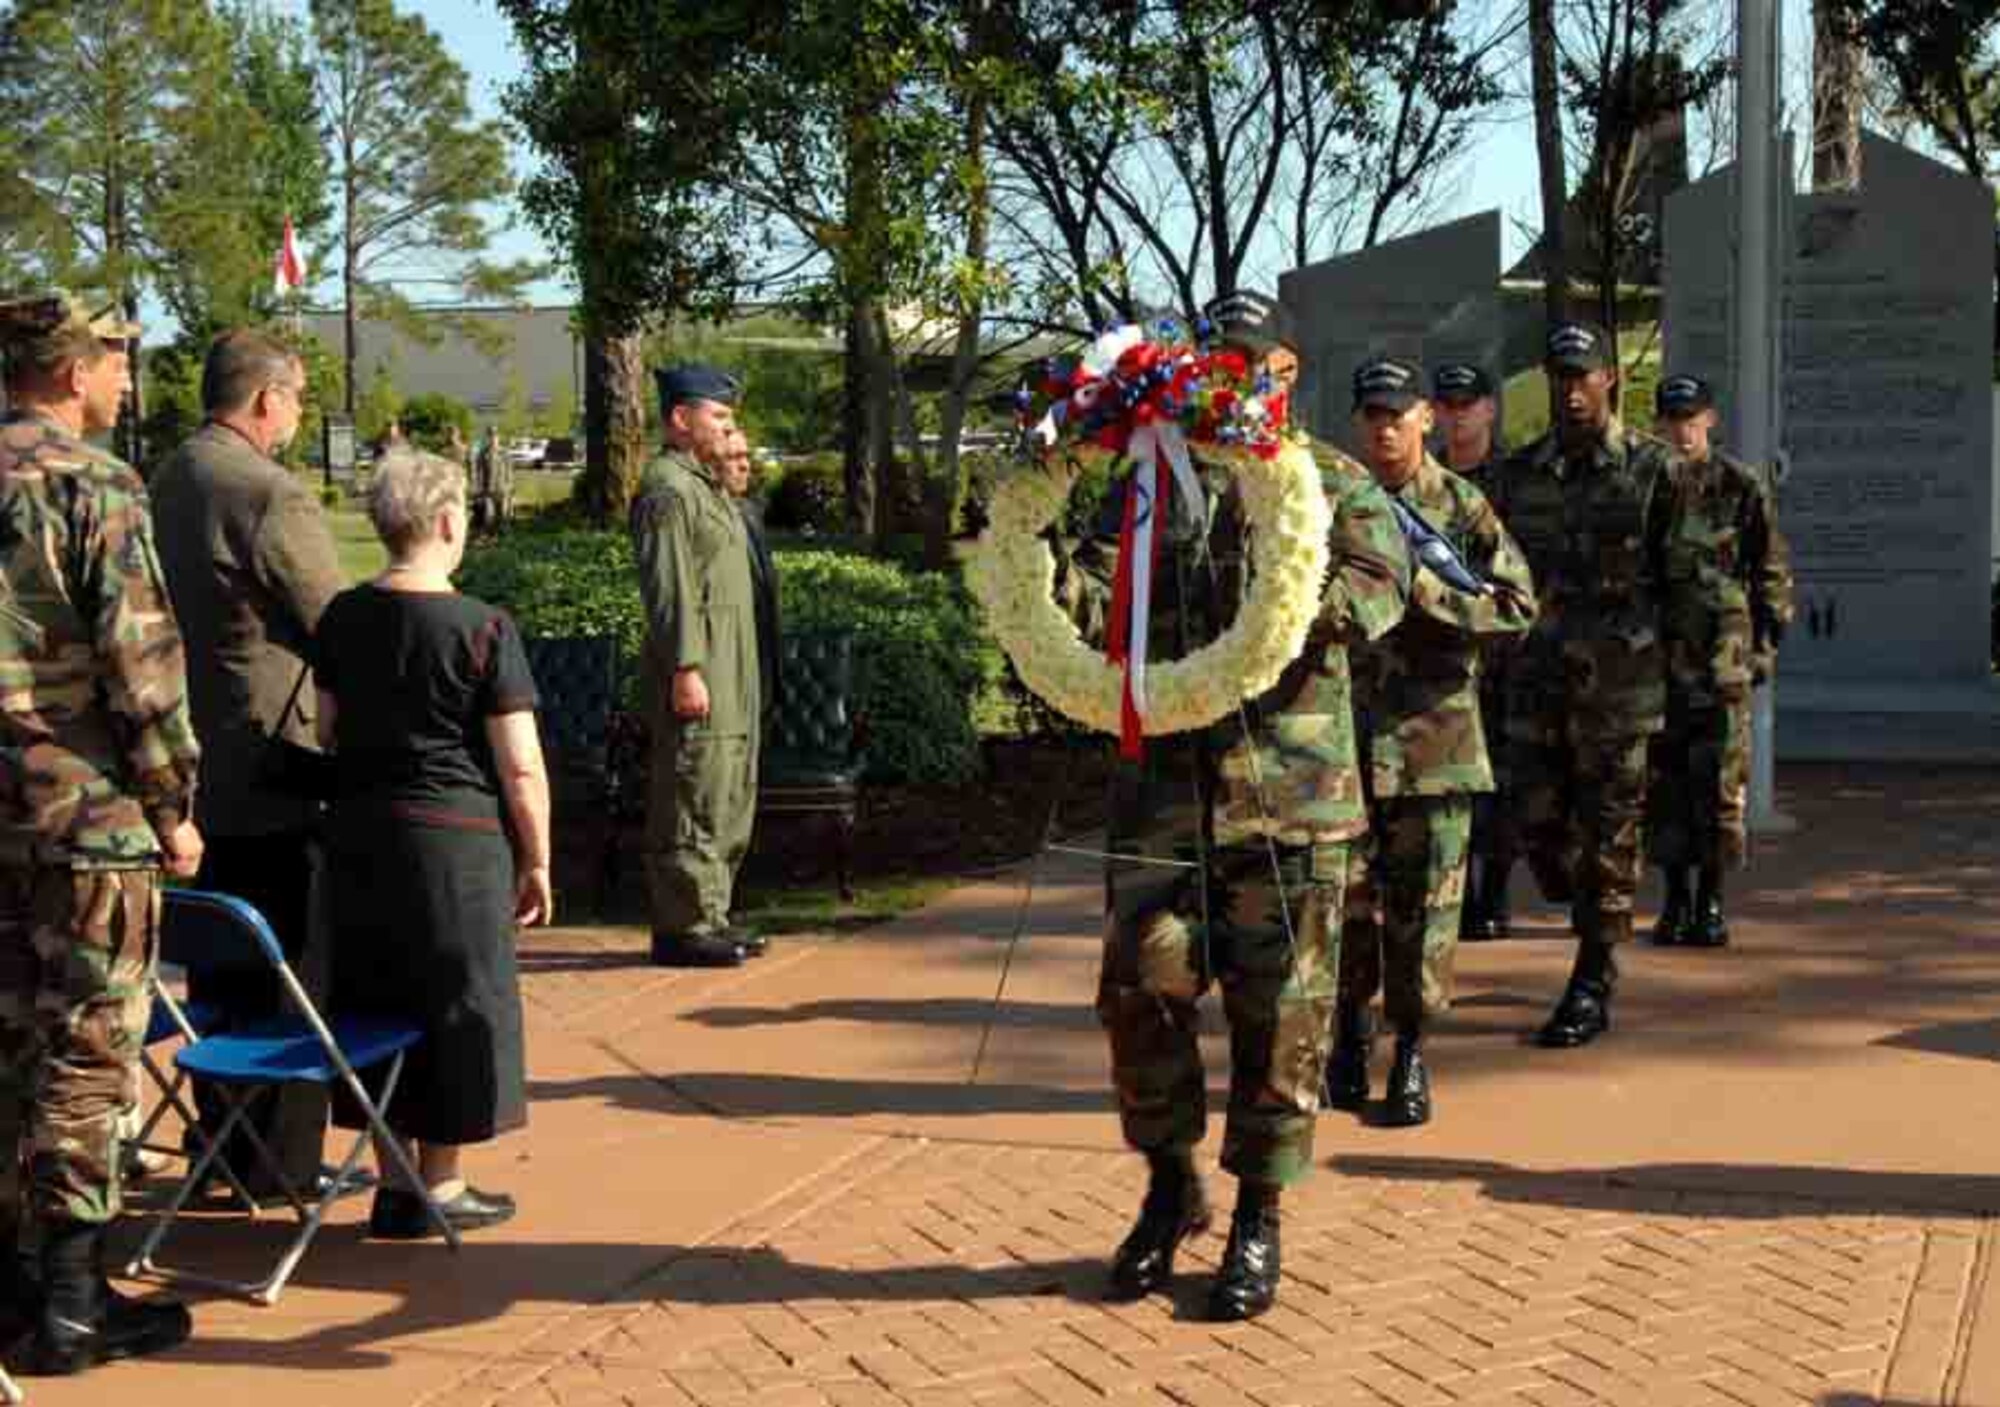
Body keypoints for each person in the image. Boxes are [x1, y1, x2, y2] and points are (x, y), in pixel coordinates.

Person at [1060, 291, 1412, 1321]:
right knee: (1137, 996)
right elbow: (1091, 594)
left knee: (1281, 1021)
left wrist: (1280, 610)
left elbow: (1376, 594)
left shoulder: (1332, 481)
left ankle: (1259, 1217)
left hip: (1287, 802)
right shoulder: (1148, 482)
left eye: (1247, 358)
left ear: (1285, 370)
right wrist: (1030, 572)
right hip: (1164, 800)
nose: (1228, 373)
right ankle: (1171, 1185)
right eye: (1212, 357)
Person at [0, 291, 202, 1373]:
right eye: (120, 362)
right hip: (85, 819)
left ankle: (14, 1288)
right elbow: (142, 666)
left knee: (4, 1045)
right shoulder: (96, 483)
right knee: (85, 1052)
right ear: (76, 369)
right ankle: (73, 1302)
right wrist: (174, 806)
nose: (128, 382)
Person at [313, 447, 551, 1238]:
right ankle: (440, 1183)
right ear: (450, 521)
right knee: (457, 1003)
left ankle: (393, 1178)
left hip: (360, 831)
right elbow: (519, 763)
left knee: (374, 998)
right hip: (455, 838)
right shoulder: (483, 626)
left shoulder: (343, 615)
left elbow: (328, 727)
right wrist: (539, 856)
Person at [152, 328, 355, 1204]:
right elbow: (338, 626)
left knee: (217, 966)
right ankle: (279, 1164)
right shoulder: (268, 493)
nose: (300, 415)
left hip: (189, 762)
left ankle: (222, 1145)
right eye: (299, 398)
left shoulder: (166, 478)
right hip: (275, 763)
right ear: (266, 400)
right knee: (287, 966)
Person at [1325, 356, 1537, 1126]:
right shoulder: (1331, 503)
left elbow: (1516, 606)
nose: (1385, 426)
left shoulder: (1461, 507)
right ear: (1358, 422)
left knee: (1424, 917)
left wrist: (1428, 592)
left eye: (1398, 412)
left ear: (1424, 418)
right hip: (1342, 744)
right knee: (1344, 909)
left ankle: (1410, 1053)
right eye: (1372, 413)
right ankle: (1347, 1041)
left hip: (1434, 745)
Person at [1495, 321, 1679, 1049]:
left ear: (1611, 380)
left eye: (1584, 376)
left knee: (1610, 836)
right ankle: (1589, 913)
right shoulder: (1521, 473)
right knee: (1540, 833)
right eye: (1560, 377)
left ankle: (1593, 975)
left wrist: (1687, 680)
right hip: (1538, 686)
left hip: (1620, 692)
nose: (1572, 390)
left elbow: (1685, 580)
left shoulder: (1654, 471)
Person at [1647, 374, 1793, 947]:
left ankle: (1711, 900)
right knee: (1666, 784)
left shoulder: (1740, 484)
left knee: (1719, 785)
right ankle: (1674, 898)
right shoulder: (1648, 487)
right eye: (1671, 418)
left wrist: (1764, 648)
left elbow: (1772, 571)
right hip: (1661, 659)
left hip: (1722, 657)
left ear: (1709, 419)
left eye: (1691, 417)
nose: (1681, 429)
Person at [630, 366, 764, 967]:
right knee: (693, 788)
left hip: (732, 663)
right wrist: (686, 665)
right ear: (680, 419)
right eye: (719, 416)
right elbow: (670, 587)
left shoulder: (707, 487)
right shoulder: (668, 487)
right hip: (701, 659)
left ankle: (712, 913)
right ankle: (681, 925)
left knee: (727, 783)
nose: (728, 427)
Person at [1431, 361, 1517, 942]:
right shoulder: (1425, 484)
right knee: (1451, 781)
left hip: (1505, 654)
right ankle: (1458, 892)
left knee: (1504, 777)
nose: (1458, 414)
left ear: (1489, 408)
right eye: (1447, 403)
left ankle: (1496, 890)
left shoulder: (1518, 480)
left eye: (1469, 403)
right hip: (1443, 654)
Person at [724, 428, 783, 733]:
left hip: (761, 671)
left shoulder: (749, 512)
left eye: (745, 456)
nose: (745, 465)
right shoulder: (702, 520)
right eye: (733, 457)